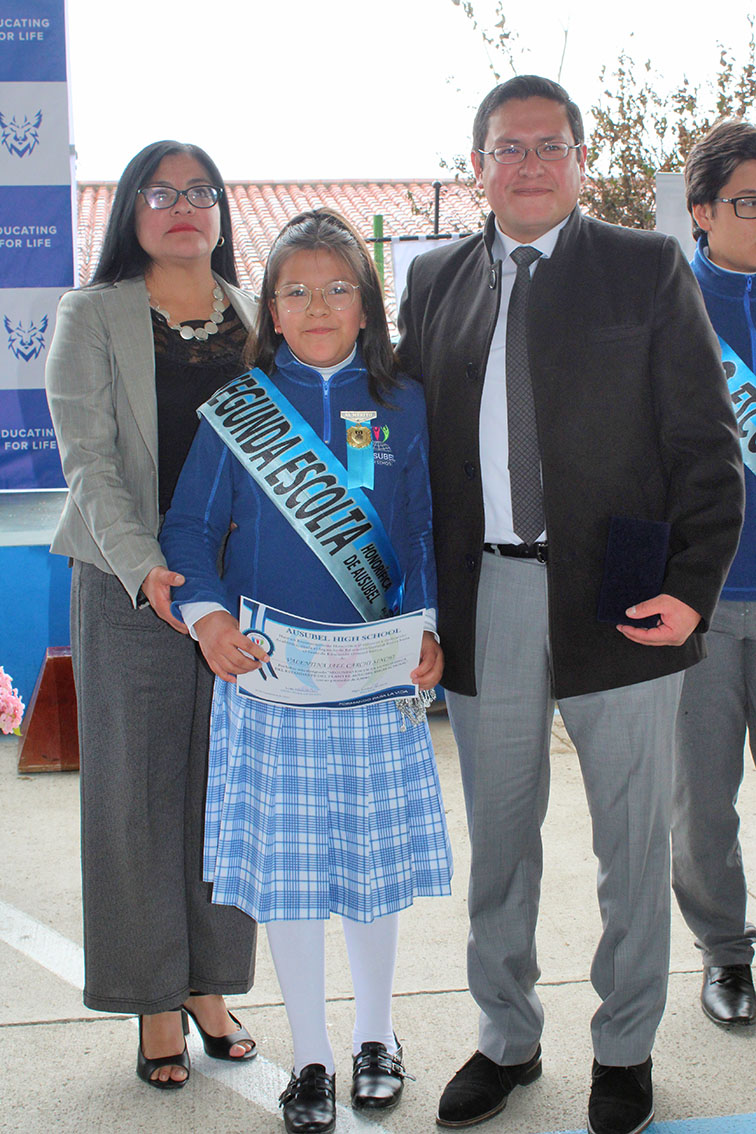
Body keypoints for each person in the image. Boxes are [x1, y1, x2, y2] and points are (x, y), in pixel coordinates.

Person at [397, 75, 744, 1134]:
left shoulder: (642, 269)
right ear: (478, 168)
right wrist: (410, 610)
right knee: (501, 842)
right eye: (510, 147)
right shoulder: (435, 280)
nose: (532, 163)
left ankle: (624, 1048)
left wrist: (690, 591)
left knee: (632, 840)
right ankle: (507, 1039)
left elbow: (704, 445)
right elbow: (410, 460)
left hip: (624, 595)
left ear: (582, 163)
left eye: (551, 145)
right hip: (485, 594)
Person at [159, 208, 453, 1133]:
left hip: (374, 677)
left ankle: (376, 1036)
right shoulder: (241, 408)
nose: (318, 303)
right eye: (296, 290)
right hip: (273, 679)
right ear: (271, 311)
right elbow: (188, 534)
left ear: (367, 306)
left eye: (338, 287)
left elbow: (425, 530)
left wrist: (432, 627)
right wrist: (206, 622)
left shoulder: (404, 403)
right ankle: (313, 1057)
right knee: (288, 880)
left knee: (368, 870)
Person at [45, 140, 258, 1089]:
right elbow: (87, 463)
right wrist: (148, 570)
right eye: (162, 192)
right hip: (131, 589)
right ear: (131, 209)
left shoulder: (261, 318)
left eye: (201, 191)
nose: (184, 206)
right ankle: (152, 1000)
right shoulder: (91, 314)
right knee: (135, 799)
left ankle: (211, 982)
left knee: (227, 798)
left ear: (220, 209)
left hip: (240, 597)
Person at [671, 119, 756, 1028]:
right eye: (749, 202)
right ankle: (725, 954)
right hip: (704, 602)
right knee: (702, 805)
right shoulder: (670, 308)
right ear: (701, 211)